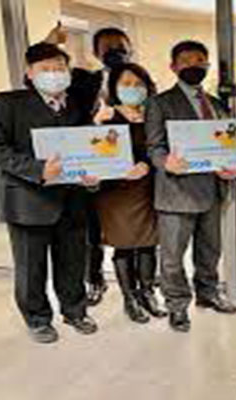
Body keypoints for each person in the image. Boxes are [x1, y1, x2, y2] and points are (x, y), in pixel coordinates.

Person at [0, 43, 99, 344]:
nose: (54, 74)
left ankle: (75, 311)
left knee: (73, 261)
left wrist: (92, 174)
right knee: (31, 267)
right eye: (45, 69)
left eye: (60, 68)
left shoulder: (76, 105)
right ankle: (37, 319)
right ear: (30, 73)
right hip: (28, 199)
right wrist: (38, 169)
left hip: (72, 198)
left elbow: (87, 146)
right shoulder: (5, 103)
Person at [146, 40, 236, 333]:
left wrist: (234, 168)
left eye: (200, 60)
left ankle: (208, 293)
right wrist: (166, 162)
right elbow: (154, 147)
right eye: (186, 61)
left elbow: (229, 145)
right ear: (173, 67)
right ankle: (177, 305)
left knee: (210, 250)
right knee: (172, 257)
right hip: (177, 191)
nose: (194, 66)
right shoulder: (160, 103)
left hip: (214, 189)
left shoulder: (216, 104)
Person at [46, 24, 136, 306]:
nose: (115, 52)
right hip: (92, 167)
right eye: (107, 48)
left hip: (128, 169)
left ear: (130, 49)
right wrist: (52, 45)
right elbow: (46, 77)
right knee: (91, 232)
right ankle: (95, 279)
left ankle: (134, 286)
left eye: (120, 47)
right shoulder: (82, 80)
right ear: (96, 53)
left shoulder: (138, 81)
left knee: (127, 228)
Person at [92, 63, 167, 323]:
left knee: (149, 243)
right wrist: (96, 124)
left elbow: (162, 148)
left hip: (148, 189)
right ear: (114, 88)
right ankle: (130, 299)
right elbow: (94, 154)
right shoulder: (106, 116)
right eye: (126, 84)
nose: (133, 89)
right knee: (123, 245)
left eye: (138, 84)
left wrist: (147, 165)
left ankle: (148, 294)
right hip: (116, 192)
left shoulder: (154, 114)